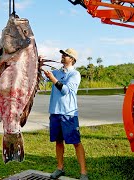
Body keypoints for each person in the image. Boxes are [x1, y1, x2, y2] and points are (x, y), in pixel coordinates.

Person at [43, 48, 88, 180]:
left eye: (66, 55)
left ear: (72, 59)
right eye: (62, 54)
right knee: (58, 141)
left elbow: (66, 91)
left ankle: (83, 172)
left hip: (69, 114)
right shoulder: (56, 72)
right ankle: (60, 168)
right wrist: (39, 65)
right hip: (55, 112)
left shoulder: (75, 74)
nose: (63, 56)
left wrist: (53, 79)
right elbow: (41, 79)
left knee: (76, 142)